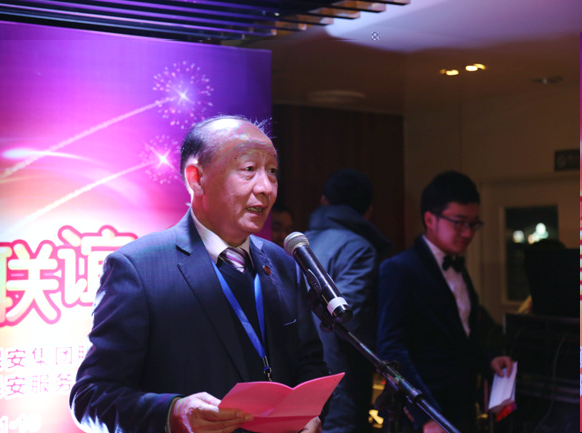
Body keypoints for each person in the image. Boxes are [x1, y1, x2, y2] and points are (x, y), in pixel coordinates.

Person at [70, 115, 328, 433]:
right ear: (196, 178)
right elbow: (91, 397)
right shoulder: (138, 267)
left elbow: (309, 362)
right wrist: (173, 413)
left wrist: (309, 414)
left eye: (272, 171)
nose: (265, 188)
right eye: (249, 169)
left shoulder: (283, 263)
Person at [376, 170, 513, 433]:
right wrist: (425, 415)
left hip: (461, 407)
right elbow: (391, 349)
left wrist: (489, 360)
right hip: (421, 416)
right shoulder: (400, 269)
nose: (468, 233)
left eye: (473, 224)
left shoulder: (458, 267)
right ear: (430, 219)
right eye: (459, 223)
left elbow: (462, 339)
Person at [305, 168, 392, 433]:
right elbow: (348, 323)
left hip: (297, 382)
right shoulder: (360, 249)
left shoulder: (299, 244)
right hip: (339, 389)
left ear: (323, 201)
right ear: (368, 212)